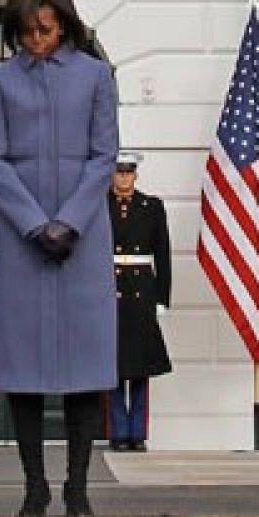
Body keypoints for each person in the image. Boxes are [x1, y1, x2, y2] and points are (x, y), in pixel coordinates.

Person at [0, 0, 118, 517]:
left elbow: (103, 156)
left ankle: (78, 487)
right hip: (21, 240)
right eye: (26, 32)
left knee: (85, 367)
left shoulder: (96, 76)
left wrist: (70, 223)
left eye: (45, 29)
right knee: (24, 368)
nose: (36, 40)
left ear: (63, 23)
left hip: (81, 240)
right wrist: (37, 225)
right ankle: (34, 486)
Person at [106, 152, 172, 452]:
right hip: (111, 291)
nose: (123, 178)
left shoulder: (152, 207)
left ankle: (138, 432)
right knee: (115, 368)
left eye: (128, 172)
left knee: (141, 367)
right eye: (119, 172)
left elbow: (163, 255)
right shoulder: (100, 205)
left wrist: (161, 297)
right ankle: (119, 431)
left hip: (141, 293)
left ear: (135, 175)